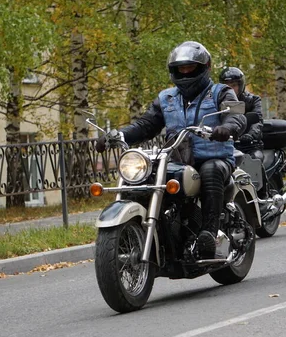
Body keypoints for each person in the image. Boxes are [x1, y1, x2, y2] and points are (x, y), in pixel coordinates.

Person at [95, 41, 246, 259]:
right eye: (180, 69)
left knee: (210, 171)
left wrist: (227, 127)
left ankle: (209, 234)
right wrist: (117, 135)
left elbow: (237, 115)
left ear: (205, 68)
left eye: (190, 68)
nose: (185, 72)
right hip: (176, 159)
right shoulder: (166, 98)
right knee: (143, 178)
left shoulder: (221, 92)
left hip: (214, 157)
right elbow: (146, 124)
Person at [219, 66, 267, 199]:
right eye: (226, 85)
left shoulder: (252, 100)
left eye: (233, 85)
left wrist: (250, 135)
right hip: (228, 145)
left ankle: (262, 197)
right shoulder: (218, 102)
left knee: (255, 160)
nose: (230, 89)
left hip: (249, 145)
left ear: (241, 85)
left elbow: (257, 120)